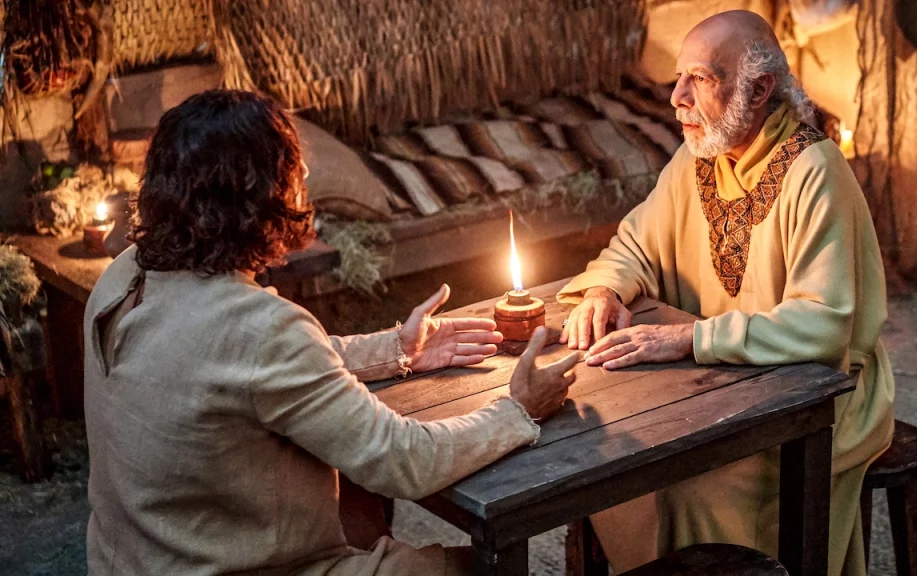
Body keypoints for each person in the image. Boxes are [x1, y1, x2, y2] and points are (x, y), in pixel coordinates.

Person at [83, 89, 579, 576]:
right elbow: (403, 461)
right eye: (293, 173)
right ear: (261, 197)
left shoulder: (125, 274)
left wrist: (397, 350)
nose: (304, 183)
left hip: (128, 559)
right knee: (483, 568)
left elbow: (236, 367)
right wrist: (516, 412)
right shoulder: (260, 327)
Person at [556, 10, 894, 576]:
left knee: (691, 484)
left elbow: (823, 325)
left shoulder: (815, 171)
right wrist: (605, 290)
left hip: (821, 400)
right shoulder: (699, 159)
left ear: (759, 89)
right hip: (723, 389)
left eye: (702, 79)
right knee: (610, 460)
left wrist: (690, 338)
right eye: (679, 77)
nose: (677, 97)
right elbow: (634, 245)